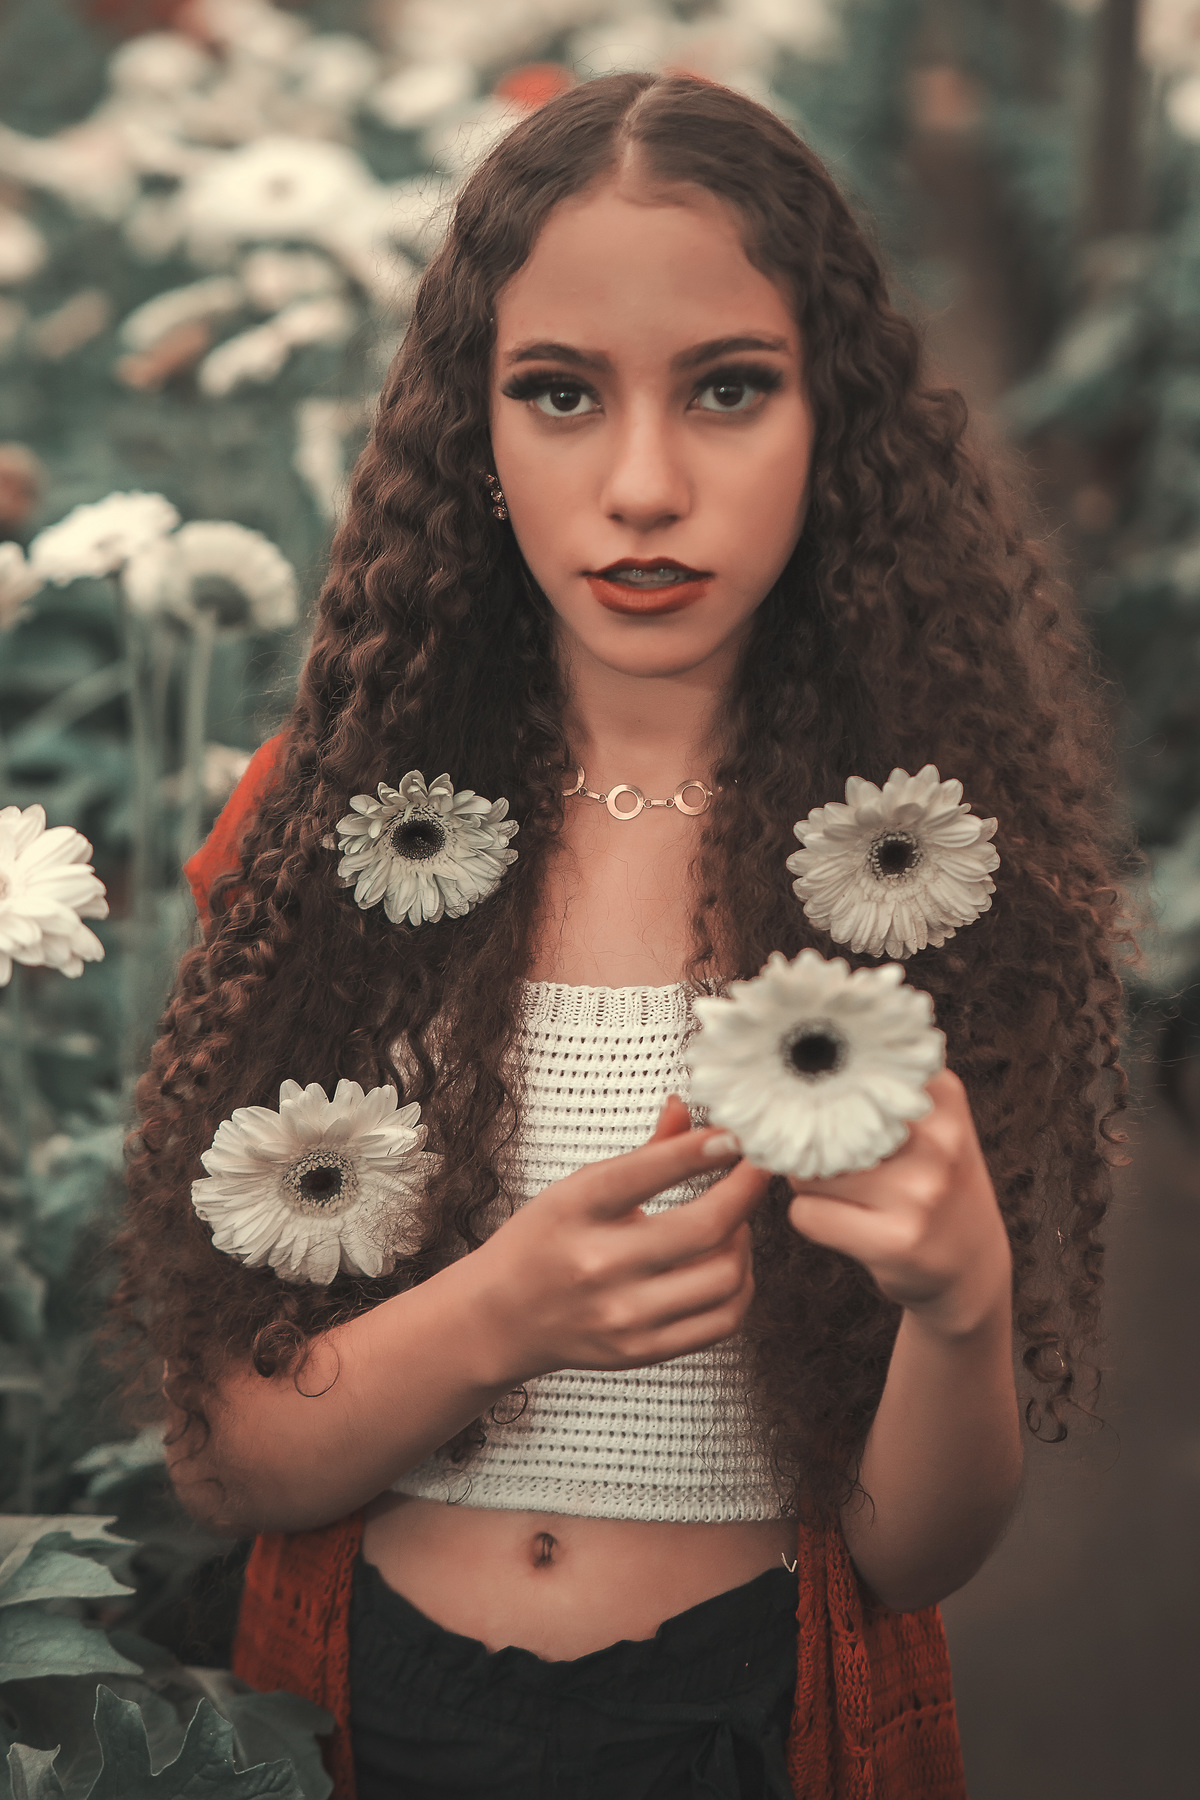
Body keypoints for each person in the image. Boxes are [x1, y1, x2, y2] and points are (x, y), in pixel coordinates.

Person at [115, 72, 1128, 1800]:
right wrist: (503, 1308)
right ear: (474, 436)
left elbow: (910, 1559)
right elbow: (230, 1456)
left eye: (728, 390)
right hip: (363, 1712)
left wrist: (963, 1306)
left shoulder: (927, 877)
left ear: (837, 430)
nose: (643, 484)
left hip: (753, 1720)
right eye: (561, 394)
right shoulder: (334, 840)